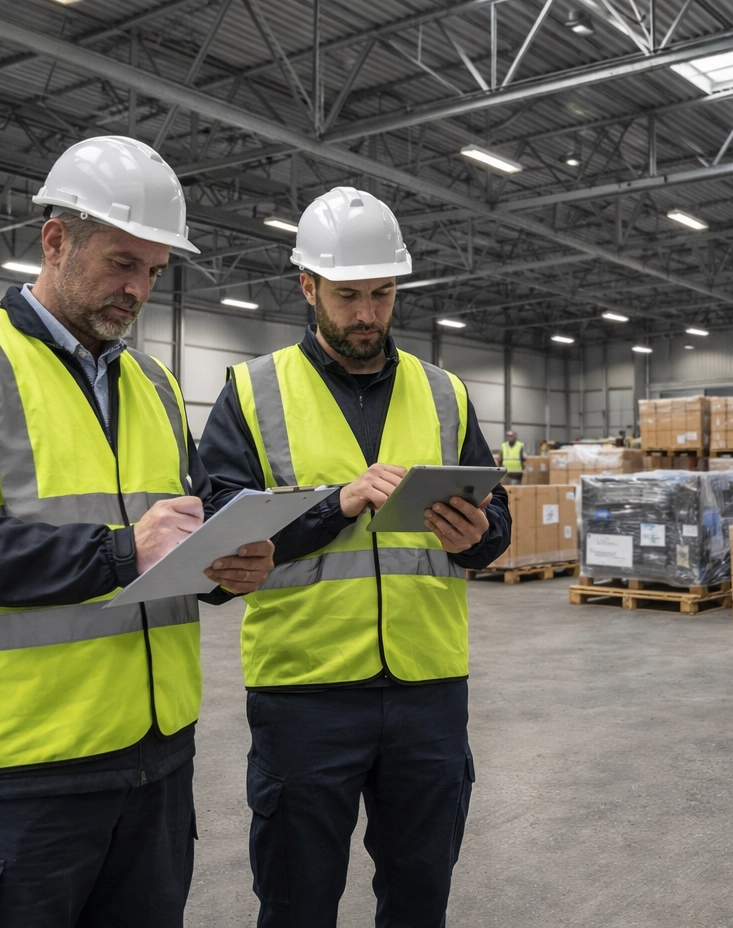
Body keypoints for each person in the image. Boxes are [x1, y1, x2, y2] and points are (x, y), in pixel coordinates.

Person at [0, 135, 277, 928]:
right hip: (16, 774)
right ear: (55, 240)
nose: (138, 290)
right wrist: (122, 550)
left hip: (154, 764)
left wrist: (225, 566)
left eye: (154, 273)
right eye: (122, 263)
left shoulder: (156, 386)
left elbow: (180, 533)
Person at [198, 185, 511, 927]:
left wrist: (481, 540)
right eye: (347, 296)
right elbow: (214, 536)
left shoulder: (446, 394)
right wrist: (334, 505)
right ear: (307, 286)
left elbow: (497, 523)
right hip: (305, 692)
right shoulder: (252, 392)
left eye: (382, 293)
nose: (367, 314)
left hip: (429, 689)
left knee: (419, 891)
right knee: (297, 898)